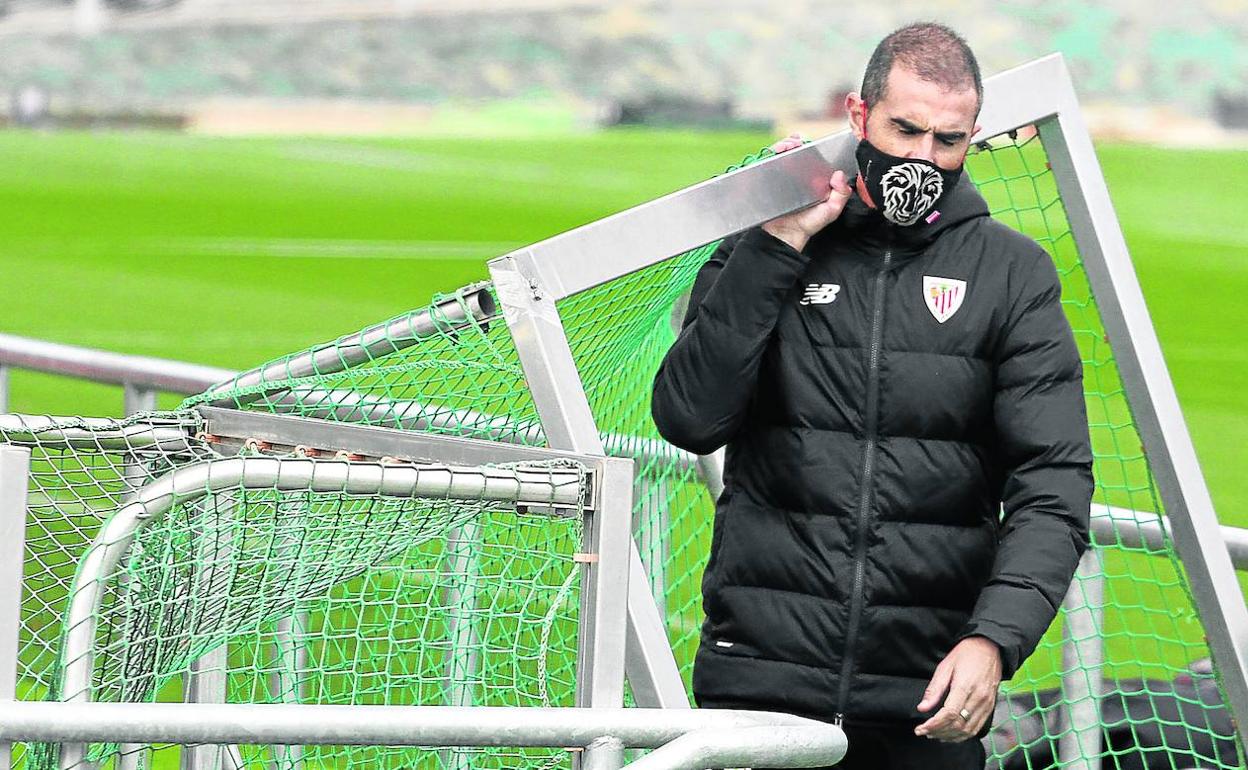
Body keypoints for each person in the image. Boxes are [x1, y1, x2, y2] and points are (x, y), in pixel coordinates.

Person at [650, 22, 1093, 770]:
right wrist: (776, 246)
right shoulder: (766, 244)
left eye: (947, 141)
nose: (922, 158)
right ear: (859, 117)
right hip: (761, 686)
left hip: (926, 705)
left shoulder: (1013, 274)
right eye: (905, 129)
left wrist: (994, 640)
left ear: (972, 137)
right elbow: (691, 418)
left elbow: (1054, 482)